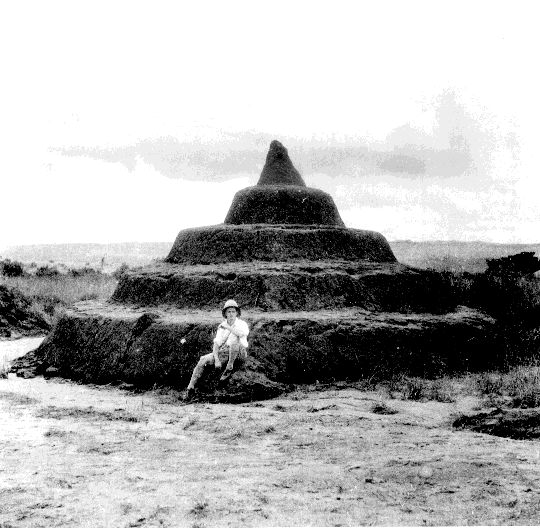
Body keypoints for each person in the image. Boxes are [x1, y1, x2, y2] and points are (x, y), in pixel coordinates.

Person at [184, 299, 249, 400]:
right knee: (203, 359)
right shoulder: (222, 326)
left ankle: (229, 366)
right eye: (229, 312)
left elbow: (241, 334)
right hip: (225, 352)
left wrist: (228, 327)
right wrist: (217, 359)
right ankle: (190, 389)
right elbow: (217, 343)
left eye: (233, 311)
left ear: (237, 313)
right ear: (225, 314)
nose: (231, 314)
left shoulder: (242, 324)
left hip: (239, 352)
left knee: (234, 342)